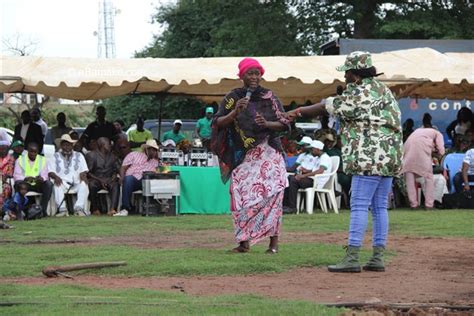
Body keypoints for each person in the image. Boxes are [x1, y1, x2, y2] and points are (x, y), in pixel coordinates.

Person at [287, 51, 403, 273]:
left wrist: (297, 112)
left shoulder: (358, 92)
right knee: (380, 207)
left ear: (355, 75)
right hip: (390, 157)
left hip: (368, 158)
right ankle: (377, 257)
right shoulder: (383, 90)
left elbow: (326, 106)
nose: (345, 77)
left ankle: (352, 257)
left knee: (359, 204)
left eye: (347, 74)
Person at [212, 57, 290, 254]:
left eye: (257, 73)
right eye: (250, 73)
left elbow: (284, 123)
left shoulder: (269, 96)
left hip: (269, 153)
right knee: (242, 196)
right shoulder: (233, 97)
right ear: (242, 75)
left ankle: (273, 244)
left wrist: (267, 124)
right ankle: (243, 243)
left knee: (272, 196)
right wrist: (235, 111)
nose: (254, 77)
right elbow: (218, 123)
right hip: (243, 155)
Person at [402, 123, 444, 209]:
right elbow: (441, 150)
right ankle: (429, 204)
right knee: (428, 177)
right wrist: (440, 153)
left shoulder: (417, 131)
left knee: (409, 176)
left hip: (407, 149)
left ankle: (413, 204)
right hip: (421, 149)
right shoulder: (437, 133)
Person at [283, 140, 332, 213]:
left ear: (317, 149)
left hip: (317, 181)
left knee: (293, 180)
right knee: (289, 179)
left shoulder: (324, 158)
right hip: (312, 179)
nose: (311, 151)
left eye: (312, 149)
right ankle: (286, 205)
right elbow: (314, 170)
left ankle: (292, 207)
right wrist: (306, 171)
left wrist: (303, 176)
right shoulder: (318, 157)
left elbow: (320, 171)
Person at [48, 134, 89, 216]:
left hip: (76, 181)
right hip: (62, 181)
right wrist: (56, 177)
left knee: (84, 184)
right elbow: (50, 171)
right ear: (61, 146)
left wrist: (83, 174)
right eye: (64, 145)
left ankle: (79, 208)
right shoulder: (55, 156)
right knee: (57, 185)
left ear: (72, 145)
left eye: (68, 145)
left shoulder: (79, 155)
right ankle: (62, 210)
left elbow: (84, 170)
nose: (66, 147)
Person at [117, 139, 160, 217]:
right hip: (133, 179)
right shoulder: (134, 154)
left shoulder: (155, 161)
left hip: (146, 180)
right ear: (147, 149)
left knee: (153, 182)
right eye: (153, 150)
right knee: (128, 179)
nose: (154, 152)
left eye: (156, 150)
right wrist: (122, 177)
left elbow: (159, 172)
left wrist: (158, 158)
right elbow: (123, 167)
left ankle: (150, 208)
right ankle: (125, 208)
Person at [13, 142, 53, 217]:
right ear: (27, 150)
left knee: (48, 184)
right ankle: (19, 211)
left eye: (35, 152)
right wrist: (25, 178)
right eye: (31, 151)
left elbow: (45, 175)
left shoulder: (43, 160)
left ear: (38, 152)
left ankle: (42, 210)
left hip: (38, 184)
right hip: (25, 183)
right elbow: (16, 175)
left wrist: (42, 178)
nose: (33, 154)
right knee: (18, 184)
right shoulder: (20, 160)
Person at [86, 137, 120, 216]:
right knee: (91, 185)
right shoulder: (91, 155)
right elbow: (88, 173)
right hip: (96, 179)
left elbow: (116, 170)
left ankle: (112, 209)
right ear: (102, 145)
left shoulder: (113, 156)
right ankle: (95, 209)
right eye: (108, 144)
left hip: (108, 179)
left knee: (116, 185)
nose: (110, 145)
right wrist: (100, 180)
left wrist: (113, 177)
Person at [0, 140, 15, 210]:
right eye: (1, 149)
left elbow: (11, 172)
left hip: (5, 181)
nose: (2, 151)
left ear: (8, 149)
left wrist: (5, 176)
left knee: (5, 188)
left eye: (4, 149)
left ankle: (2, 208)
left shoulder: (11, 159)